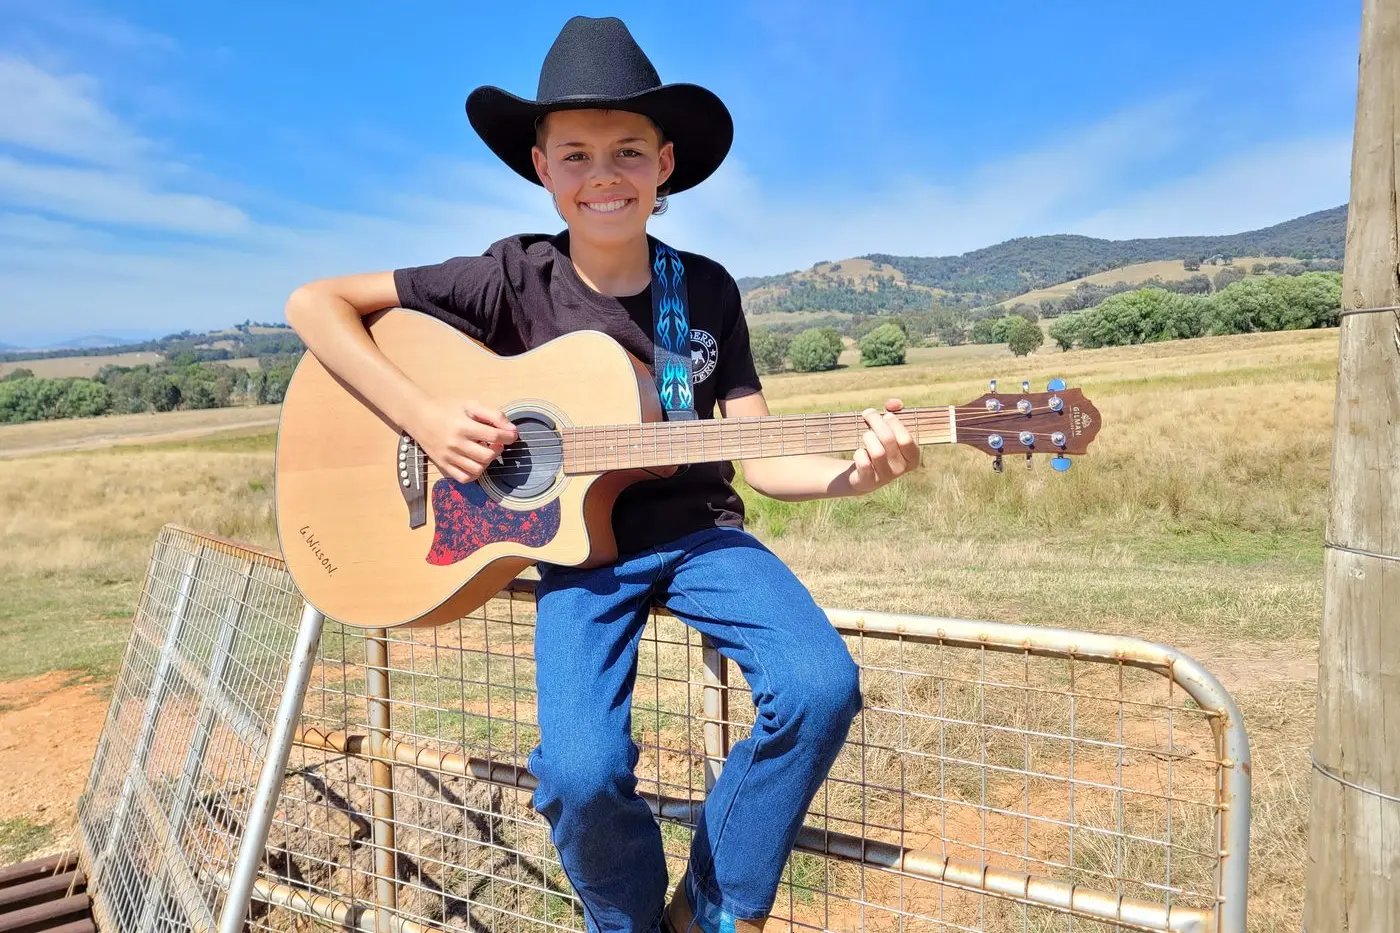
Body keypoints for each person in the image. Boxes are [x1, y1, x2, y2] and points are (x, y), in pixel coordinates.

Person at [284, 16, 919, 933]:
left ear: (665, 164)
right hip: (574, 554)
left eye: (626, 150)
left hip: (700, 532)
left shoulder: (703, 291)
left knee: (820, 685)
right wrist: (423, 416)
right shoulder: (510, 276)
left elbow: (766, 451)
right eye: (575, 153)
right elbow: (316, 303)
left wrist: (854, 478)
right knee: (579, 773)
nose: (602, 174)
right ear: (542, 169)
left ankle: (713, 907)